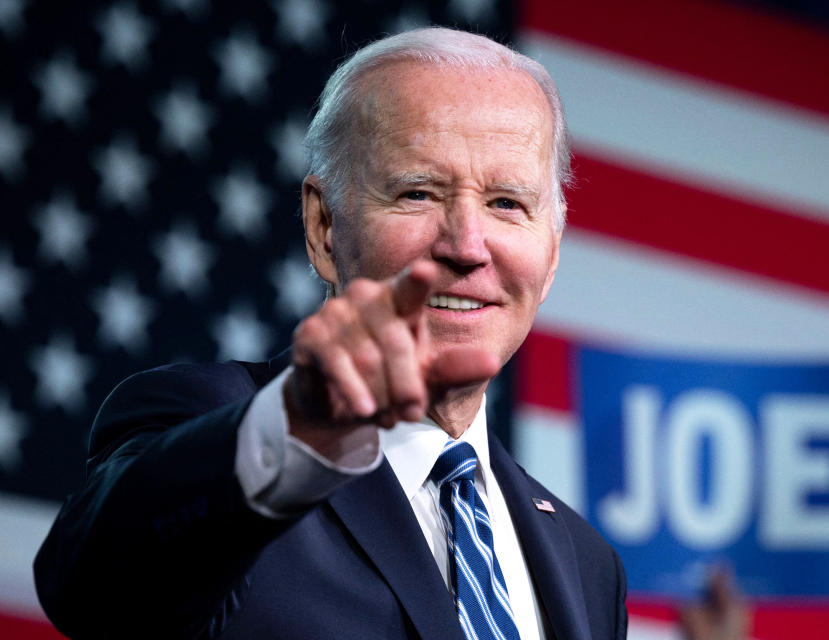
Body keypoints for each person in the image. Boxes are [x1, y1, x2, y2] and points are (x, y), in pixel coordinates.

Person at [33, 27, 627, 640]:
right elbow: (95, 589)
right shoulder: (216, 427)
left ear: (551, 255)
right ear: (323, 228)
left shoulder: (588, 564)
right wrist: (294, 432)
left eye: (506, 203)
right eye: (418, 193)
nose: (468, 248)